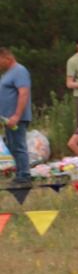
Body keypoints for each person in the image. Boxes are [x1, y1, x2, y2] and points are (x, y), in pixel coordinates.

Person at [0, 46, 33, 187]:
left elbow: (23, 93)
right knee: (12, 145)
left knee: (19, 145)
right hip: (7, 118)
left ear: (7, 57)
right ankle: (19, 172)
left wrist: (17, 115)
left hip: (16, 118)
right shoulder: (7, 74)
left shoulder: (19, 71)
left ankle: (24, 175)